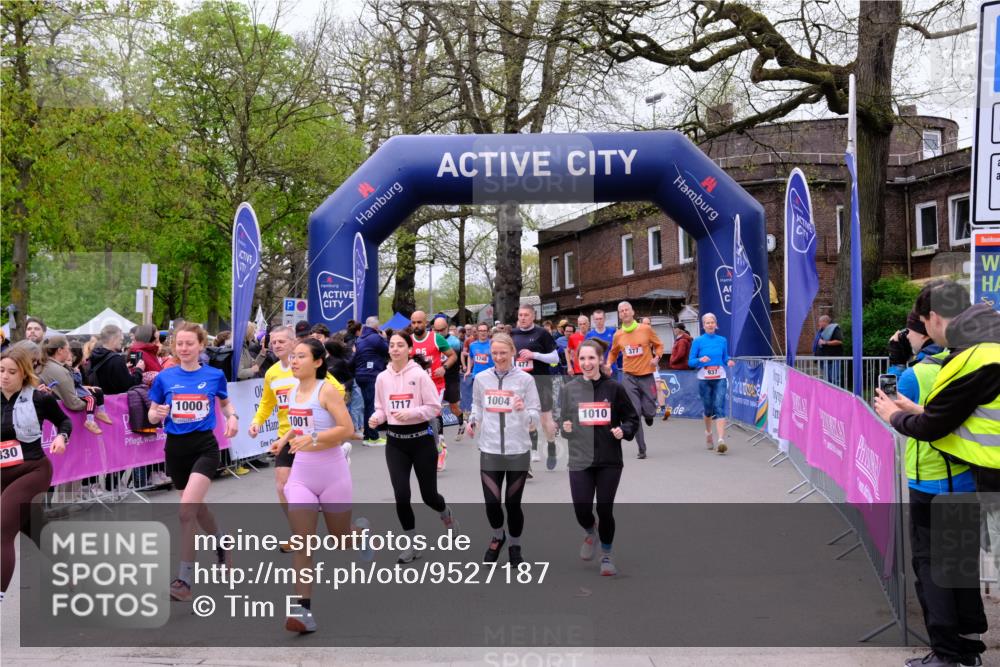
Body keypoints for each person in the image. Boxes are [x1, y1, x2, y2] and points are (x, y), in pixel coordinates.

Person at [874, 281, 1000, 667]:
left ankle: (949, 654)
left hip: (937, 484)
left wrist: (896, 415)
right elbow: (952, 417)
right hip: (967, 482)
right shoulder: (984, 348)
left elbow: (932, 427)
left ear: (935, 319)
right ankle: (965, 649)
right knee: (959, 567)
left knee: (935, 569)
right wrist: (920, 413)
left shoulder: (967, 361)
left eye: (925, 324)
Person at [267, 339, 367, 633]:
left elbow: (347, 430)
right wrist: (283, 440)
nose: (294, 361)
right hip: (301, 476)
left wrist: (312, 440)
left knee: (341, 540)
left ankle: (360, 533)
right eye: (293, 356)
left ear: (318, 362)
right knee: (303, 542)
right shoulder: (295, 390)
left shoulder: (328, 391)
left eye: (300, 356)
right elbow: (297, 425)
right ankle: (303, 611)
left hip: (332, 473)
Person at [147, 323, 239, 602]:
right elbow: (152, 415)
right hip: (175, 449)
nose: (184, 349)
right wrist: (157, 413)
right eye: (180, 344)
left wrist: (232, 417)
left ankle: (183, 581)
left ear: (201, 345)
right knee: (197, 508)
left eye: (189, 343)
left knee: (186, 511)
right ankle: (221, 542)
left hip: (204, 448)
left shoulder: (214, 375)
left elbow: (224, 404)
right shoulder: (165, 377)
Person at [369, 331, 458, 563]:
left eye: (400, 345)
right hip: (396, 443)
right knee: (402, 496)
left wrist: (411, 413)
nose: (395, 349)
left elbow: (434, 407)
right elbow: (381, 407)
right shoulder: (382, 378)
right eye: (392, 345)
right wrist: (377, 417)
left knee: (429, 496)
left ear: (410, 349)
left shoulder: (419, 376)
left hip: (421, 441)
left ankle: (445, 513)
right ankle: (412, 544)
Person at [248, 326, 346, 521]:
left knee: (327, 507)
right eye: (273, 342)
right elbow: (267, 403)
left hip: (314, 436)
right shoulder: (272, 373)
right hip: (288, 436)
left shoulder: (306, 366)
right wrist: (257, 422)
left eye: (281, 341)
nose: (277, 345)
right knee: (282, 485)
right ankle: (297, 530)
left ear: (293, 343)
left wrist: (317, 407)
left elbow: (338, 391)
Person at [559, 338, 639, 576]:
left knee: (605, 509)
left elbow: (632, 419)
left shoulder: (614, 388)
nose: (586, 363)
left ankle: (606, 554)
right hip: (580, 458)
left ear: (600, 359)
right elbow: (564, 422)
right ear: (577, 361)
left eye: (591, 358)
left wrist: (623, 430)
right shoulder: (569, 389)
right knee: (581, 507)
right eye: (582, 358)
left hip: (608, 459)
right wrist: (566, 428)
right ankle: (590, 531)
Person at [1, 346, 71, 602]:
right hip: (2, 477)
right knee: (37, 529)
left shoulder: (39, 398)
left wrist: (62, 438)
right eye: (0, 371)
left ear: (24, 374)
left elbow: (64, 421)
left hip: (32, 470)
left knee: (3, 531)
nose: (5, 376)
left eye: (11, 372)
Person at [467, 333, 540, 565]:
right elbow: (477, 405)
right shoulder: (481, 378)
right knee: (491, 502)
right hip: (489, 449)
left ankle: (515, 545)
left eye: (503, 353)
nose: (498, 358)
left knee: (512, 504)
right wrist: (473, 421)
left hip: (518, 449)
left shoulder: (525, 381)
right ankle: (499, 536)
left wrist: (522, 410)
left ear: (512, 353)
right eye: (494, 353)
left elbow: (535, 417)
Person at [608, 301, 664, 460]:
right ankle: (642, 448)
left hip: (647, 375)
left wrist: (657, 357)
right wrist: (607, 364)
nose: (624, 312)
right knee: (635, 412)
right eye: (621, 311)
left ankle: (650, 414)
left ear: (633, 312)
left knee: (648, 410)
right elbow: (613, 353)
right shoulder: (618, 334)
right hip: (629, 377)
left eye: (627, 310)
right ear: (619, 315)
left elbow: (659, 345)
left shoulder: (645, 329)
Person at [510, 305, 560, 471]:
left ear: (533, 316)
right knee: (525, 417)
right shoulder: (513, 334)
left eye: (526, 315)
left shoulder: (542, 333)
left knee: (546, 420)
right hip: (521, 383)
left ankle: (551, 445)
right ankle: (531, 452)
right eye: (520, 315)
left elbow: (555, 358)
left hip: (541, 380)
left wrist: (534, 355)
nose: (522, 318)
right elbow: (511, 358)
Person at [409, 311, 457, 471]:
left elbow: (452, 356)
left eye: (419, 322)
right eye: (413, 322)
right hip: (416, 386)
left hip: (436, 384)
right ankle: (428, 449)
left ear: (425, 323)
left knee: (432, 414)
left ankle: (440, 448)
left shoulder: (436, 338)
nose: (416, 325)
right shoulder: (408, 341)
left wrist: (444, 368)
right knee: (421, 419)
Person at [39, 334, 111, 434]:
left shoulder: (46, 365)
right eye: (68, 348)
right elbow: (73, 403)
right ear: (60, 350)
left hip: (47, 420)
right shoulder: (60, 370)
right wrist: (91, 402)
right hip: (57, 424)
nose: (69, 352)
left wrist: (84, 388)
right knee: (93, 396)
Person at [688, 312, 736, 454]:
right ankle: (709, 432)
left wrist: (729, 361)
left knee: (719, 406)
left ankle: (721, 440)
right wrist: (699, 360)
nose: (710, 325)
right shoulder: (698, 341)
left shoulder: (722, 340)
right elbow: (690, 361)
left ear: (716, 324)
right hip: (704, 378)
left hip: (720, 376)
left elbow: (725, 356)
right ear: (703, 326)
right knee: (708, 409)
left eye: (712, 322)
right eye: (707, 323)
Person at [353, 316, 388, 446]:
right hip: (371, 374)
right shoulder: (376, 338)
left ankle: (368, 436)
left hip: (360, 374)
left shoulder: (360, 339)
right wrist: (384, 338)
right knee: (372, 406)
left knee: (368, 405)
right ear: (376, 327)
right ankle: (373, 437)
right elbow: (388, 350)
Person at [86, 324, 145, 394]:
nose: (122, 342)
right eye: (120, 340)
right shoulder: (116, 359)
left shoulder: (93, 356)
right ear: (113, 339)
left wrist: (123, 368)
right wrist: (138, 370)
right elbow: (129, 385)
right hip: (115, 402)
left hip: (99, 401)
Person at [433, 316, 464, 447]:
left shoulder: (455, 342)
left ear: (447, 327)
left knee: (453, 408)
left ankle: (462, 422)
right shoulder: (433, 340)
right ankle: (440, 437)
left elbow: (456, 361)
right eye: (437, 330)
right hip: (437, 380)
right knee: (436, 408)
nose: (440, 333)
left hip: (451, 379)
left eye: (442, 329)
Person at [586, 309, 620, 382]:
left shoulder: (612, 331)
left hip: (611, 369)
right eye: (597, 319)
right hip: (596, 370)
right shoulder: (589, 335)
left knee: (613, 392)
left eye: (600, 318)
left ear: (604, 319)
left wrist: (609, 365)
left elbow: (617, 350)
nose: (599, 321)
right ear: (594, 320)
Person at [813, 314, 844, 386]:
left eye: (820, 322)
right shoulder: (821, 331)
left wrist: (825, 342)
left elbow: (839, 341)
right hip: (824, 359)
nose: (819, 323)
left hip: (833, 358)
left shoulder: (834, 329)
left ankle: (837, 394)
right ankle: (829, 395)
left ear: (825, 322)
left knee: (834, 379)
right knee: (827, 380)